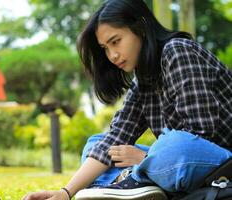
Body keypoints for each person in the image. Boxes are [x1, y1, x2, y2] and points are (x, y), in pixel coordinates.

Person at [22, 0, 232, 199]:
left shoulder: (178, 51)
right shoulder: (143, 78)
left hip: (221, 162)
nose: (112, 55)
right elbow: (116, 137)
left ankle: (135, 179)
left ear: (140, 27)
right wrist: (65, 193)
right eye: (105, 48)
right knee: (96, 146)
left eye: (116, 41)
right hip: (174, 163)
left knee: (173, 145)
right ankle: (140, 185)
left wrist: (143, 160)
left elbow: (201, 134)